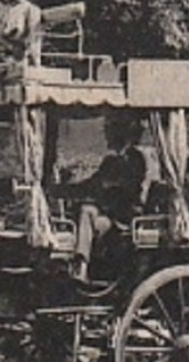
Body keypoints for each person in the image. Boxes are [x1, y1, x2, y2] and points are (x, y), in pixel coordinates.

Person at [61, 114, 149, 283]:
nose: (107, 136)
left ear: (121, 133)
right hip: (107, 213)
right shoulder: (110, 161)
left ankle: (82, 265)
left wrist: (103, 189)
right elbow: (92, 184)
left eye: (110, 132)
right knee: (86, 210)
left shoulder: (136, 159)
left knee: (88, 211)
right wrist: (64, 190)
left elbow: (125, 187)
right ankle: (79, 262)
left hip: (123, 218)